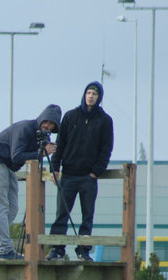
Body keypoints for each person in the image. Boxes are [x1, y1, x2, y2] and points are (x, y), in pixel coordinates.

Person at [0, 105, 62, 260]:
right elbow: (17, 156)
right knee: (0, 207)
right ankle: (5, 250)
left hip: (8, 166)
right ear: (41, 118)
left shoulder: (41, 137)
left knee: (13, 208)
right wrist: (42, 152)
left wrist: (44, 151)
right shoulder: (25, 128)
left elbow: (23, 158)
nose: (48, 126)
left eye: (52, 125)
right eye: (47, 122)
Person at [49, 81, 114, 262]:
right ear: (84, 95)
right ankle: (57, 248)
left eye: (94, 93)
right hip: (68, 175)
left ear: (99, 97)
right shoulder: (70, 117)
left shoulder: (105, 120)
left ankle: (83, 250)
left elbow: (106, 148)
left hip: (88, 177)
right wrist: (55, 168)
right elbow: (59, 145)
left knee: (87, 216)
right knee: (61, 214)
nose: (91, 96)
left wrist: (96, 171)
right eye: (88, 92)